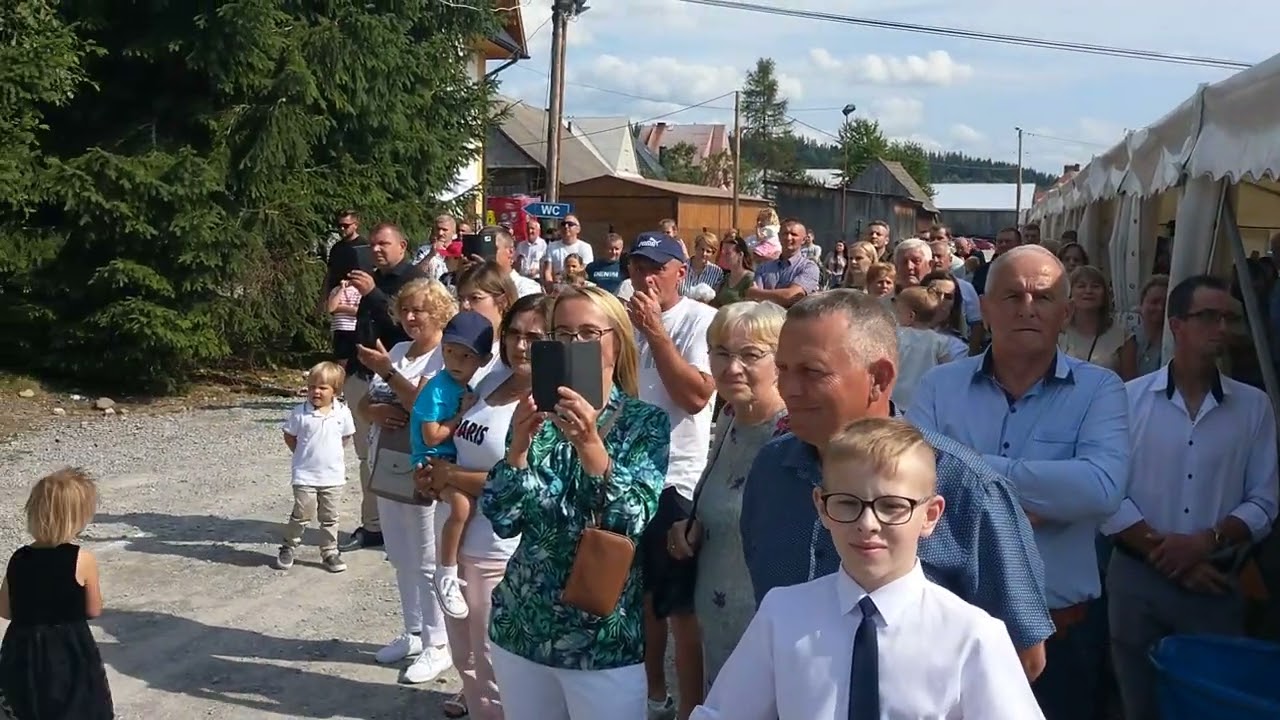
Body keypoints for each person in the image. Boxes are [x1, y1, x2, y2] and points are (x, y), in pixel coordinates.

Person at [741, 290, 1053, 683]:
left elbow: (1023, 658)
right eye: (783, 369)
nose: (789, 389)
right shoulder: (772, 471)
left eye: (812, 372)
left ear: (879, 379)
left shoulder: (966, 487)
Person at [907, 245, 1129, 720]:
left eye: (1043, 297)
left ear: (1065, 313)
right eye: (1012, 296)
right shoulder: (938, 386)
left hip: (1061, 634)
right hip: (948, 634)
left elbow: (1102, 487)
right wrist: (1040, 498)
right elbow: (910, 484)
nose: (1028, 307)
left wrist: (971, 481)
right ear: (986, 309)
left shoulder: (1101, 389)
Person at [694, 418, 1043, 720]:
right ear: (822, 507)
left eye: (892, 506)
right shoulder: (783, 615)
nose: (867, 523)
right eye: (847, 503)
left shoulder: (972, 636)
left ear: (930, 515)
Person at [482, 286, 671, 720]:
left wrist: (590, 446)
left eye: (589, 333)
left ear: (617, 342)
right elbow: (504, 519)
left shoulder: (645, 422)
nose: (574, 344)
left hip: (602, 640)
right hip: (522, 626)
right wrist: (517, 452)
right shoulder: (537, 417)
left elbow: (632, 519)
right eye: (563, 334)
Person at [1102, 274, 1279, 720]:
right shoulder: (1127, 399)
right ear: (1176, 324)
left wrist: (1205, 542)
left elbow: (1264, 499)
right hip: (1138, 577)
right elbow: (1107, 490)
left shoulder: (1253, 406)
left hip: (1214, 580)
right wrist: (1165, 552)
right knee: (1139, 704)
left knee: (1211, 705)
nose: (1221, 327)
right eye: (1208, 316)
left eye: (1228, 318)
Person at [416, 293, 553, 720]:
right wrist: (432, 476)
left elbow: (529, 481)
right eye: (514, 334)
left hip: (502, 549)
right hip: (455, 541)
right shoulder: (489, 382)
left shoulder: (547, 401)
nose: (521, 345)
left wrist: (451, 476)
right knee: (467, 659)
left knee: (498, 663)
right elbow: (452, 444)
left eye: (535, 337)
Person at [665, 301, 789, 687]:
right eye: (720, 352)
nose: (731, 367)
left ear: (781, 360)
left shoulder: (792, 438)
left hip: (764, 636)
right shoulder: (731, 415)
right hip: (714, 622)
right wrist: (690, 527)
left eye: (750, 354)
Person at [625, 232, 718, 720]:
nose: (646, 278)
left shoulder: (700, 320)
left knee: (681, 608)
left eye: (656, 268)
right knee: (641, 598)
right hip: (629, 476)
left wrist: (656, 333)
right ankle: (654, 695)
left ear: (680, 272)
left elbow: (696, 397)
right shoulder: (623, 322)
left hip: (677, 479)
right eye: (638, 267)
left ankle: (690, 709)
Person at [353, 278, 458, 684]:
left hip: (423, 467)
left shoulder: (443, 356)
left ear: (440, 313)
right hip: (387, 462)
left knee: (428, 559)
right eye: (406, 310)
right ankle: (413, 631)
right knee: (399, 554)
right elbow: (366, 402)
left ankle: (439, 643)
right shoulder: (398, 349)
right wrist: (374, 411)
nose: (411, 317)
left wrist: (388, 372)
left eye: (421, 310)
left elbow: (423, 405)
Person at [0, 468, 114, 720]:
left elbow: (5, 610)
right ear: (79, 517)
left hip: (23, 648)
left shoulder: (18, 558)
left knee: (25, 707)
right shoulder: (82, 559)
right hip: (68, 648)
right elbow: (94, 609)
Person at [343, 222, 428, 551]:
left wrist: (372, 295)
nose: (376, 249)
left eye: (384, 244)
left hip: (398, 376)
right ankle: (373, 525)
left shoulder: (415, 281)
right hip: (361, 374)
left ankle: (402, 528)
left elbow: (408, 328)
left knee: (397, 452)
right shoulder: (370, 277)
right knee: (368, 456)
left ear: (402, 246)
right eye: (373, 244)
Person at [410, 311, 495, 620]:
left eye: (466, 356)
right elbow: (431, 436)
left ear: (483, 360)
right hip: (432, 460)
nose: (456, 361)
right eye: (449, 352)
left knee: (467, 505)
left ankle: (453, 564)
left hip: (452, 459)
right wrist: (460, 416)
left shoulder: (470, 387)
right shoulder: (437, 387)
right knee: (461, 506)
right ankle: (445, 571)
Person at [276, 361, 356, 573]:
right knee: (302, 514)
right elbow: (290, 436)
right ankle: (288, 546)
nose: (316, 392)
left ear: (335, 392)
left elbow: (346, 437)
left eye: (322, 388)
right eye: (312, 387)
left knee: (330, 517)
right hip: (305, 476)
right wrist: (302, 454)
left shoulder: (342, 413)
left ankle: (329, 552)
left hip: (333, 477)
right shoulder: (300, 413)